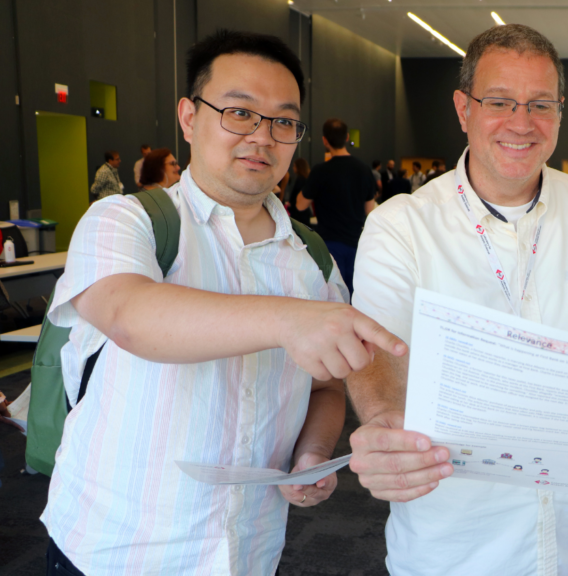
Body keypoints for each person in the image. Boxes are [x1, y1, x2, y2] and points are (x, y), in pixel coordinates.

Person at [40, 30, 406, 576]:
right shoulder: (127, 220)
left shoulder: (310, 259)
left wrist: (311, 452)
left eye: (283, 121)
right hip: (114, 550)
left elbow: (326, 386)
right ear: (189, 117)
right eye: (239, 113)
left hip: (250, 551)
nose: (262, 137)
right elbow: (130, 316)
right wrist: (288, 319)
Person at [346, 24, 568, 576]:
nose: (521, 123)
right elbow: (376, 349)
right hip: (453, 538)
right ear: (463, 108)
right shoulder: (403, 225)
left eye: (540, 104)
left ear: (560, 112)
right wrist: (382, 419)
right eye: (500, 102)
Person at [295, 118, 377, 292]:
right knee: (357, 295)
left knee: (334, 297)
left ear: (325, 140)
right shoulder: (363, 169)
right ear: (347, 137)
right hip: (357, 244)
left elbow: (300, 205)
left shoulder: (320, 171)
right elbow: (371, 210)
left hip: (329, 246)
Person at [288, 157, 312, 226]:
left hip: (298, 213)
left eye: (294, 166)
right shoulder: (307, 179)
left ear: (298, 167)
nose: (293, 168)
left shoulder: (300, 180)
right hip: (304, 211)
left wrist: (291, 204)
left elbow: (295, 195)